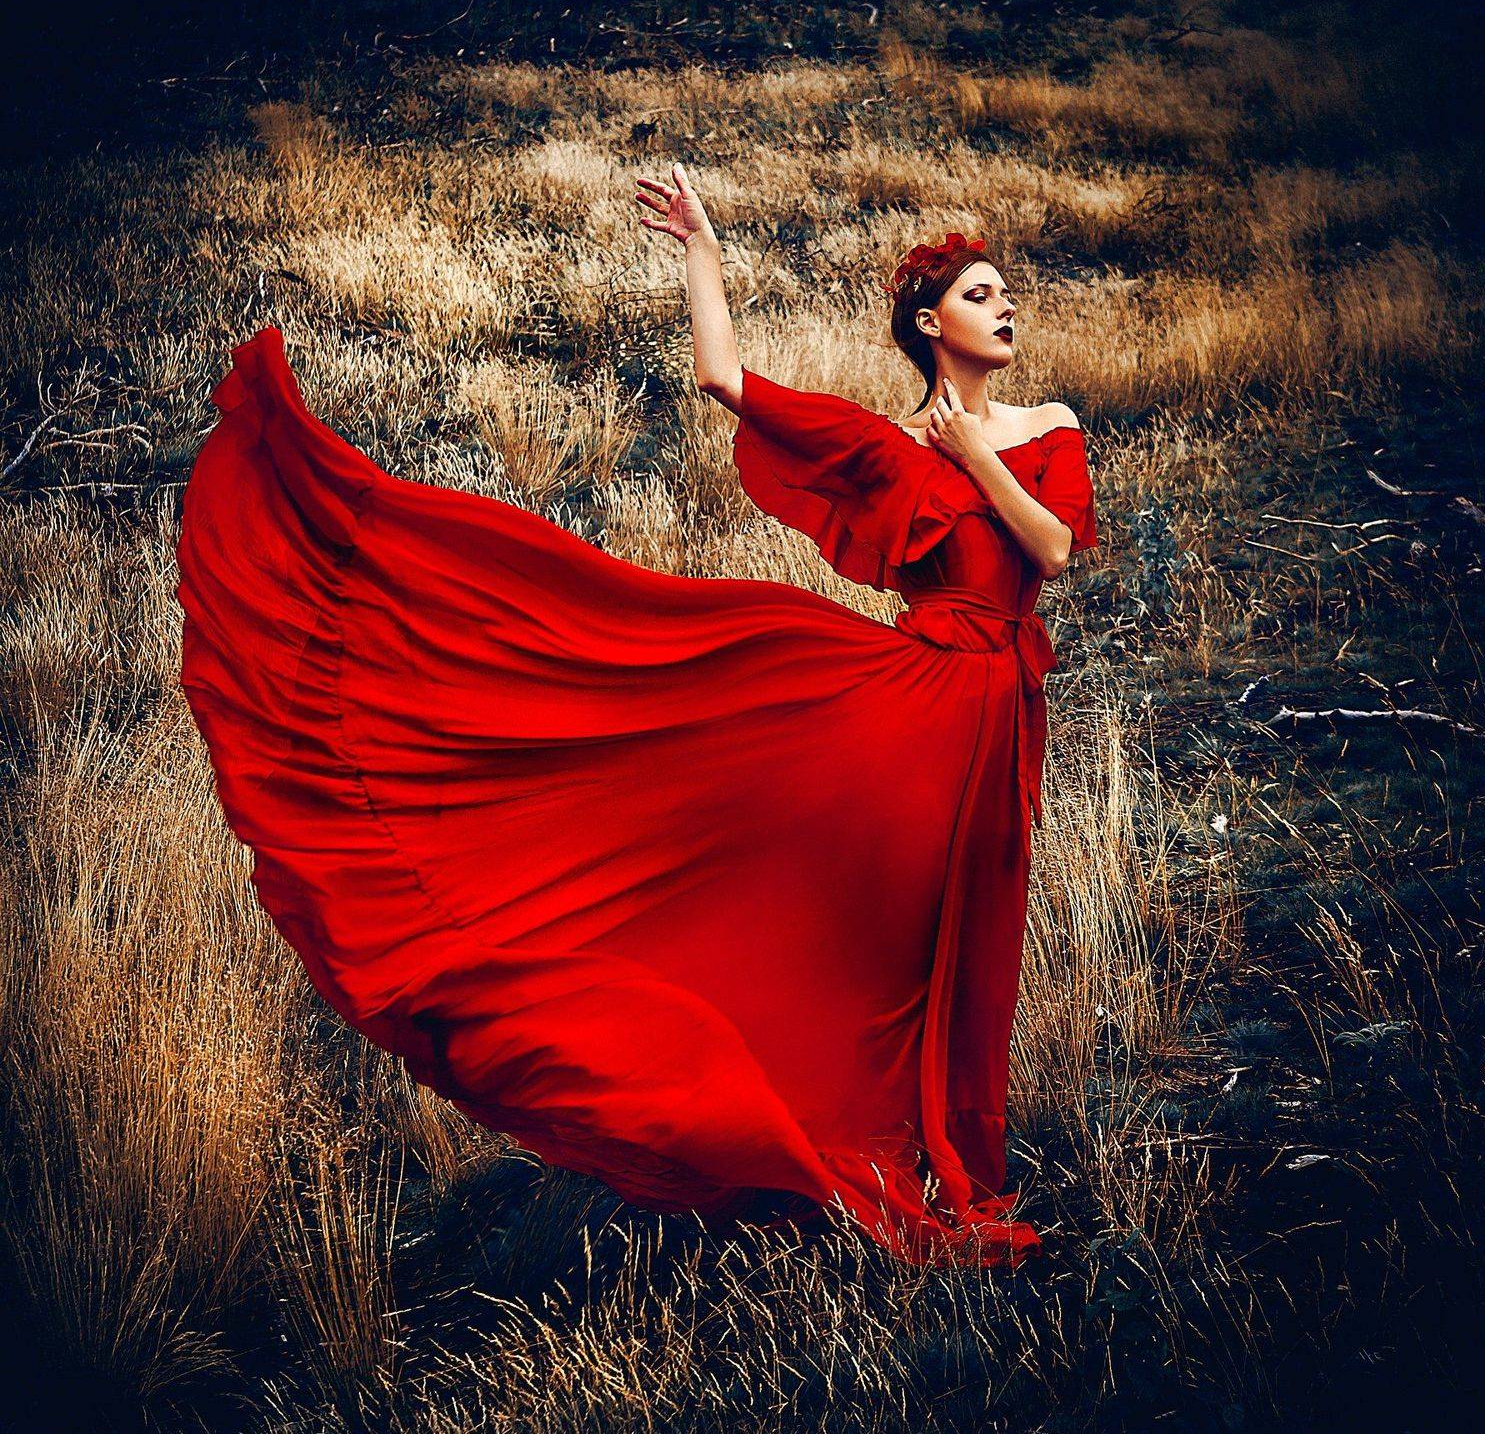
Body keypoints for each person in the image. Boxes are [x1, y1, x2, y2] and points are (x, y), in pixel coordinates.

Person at [175, 162, 1099, 1271]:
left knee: (977, 941)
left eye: (1006, 294)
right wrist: (703, 251)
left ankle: (956, 1161)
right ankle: (821, 1143)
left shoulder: (1046, 426)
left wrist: (974, 460)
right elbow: (723, 379)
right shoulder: (887, 450)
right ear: (928, 321)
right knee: (876, 953)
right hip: (907, 717)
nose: (1005, 307)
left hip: (995, 715)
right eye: (981, 294)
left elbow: (1050, 548)